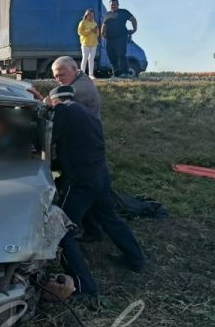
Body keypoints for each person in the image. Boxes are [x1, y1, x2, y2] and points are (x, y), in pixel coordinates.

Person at [49, 85, 145, 273]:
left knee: (62, 226)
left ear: (55, 101)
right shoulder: (87, 112)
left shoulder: (62, 111)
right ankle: (136, 260)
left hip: (81, 180)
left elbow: (50, 137)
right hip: (100, 174)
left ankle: (83, 284)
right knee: (110, 218)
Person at [101, 0, 137, 77]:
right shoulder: (108, 14)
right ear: (109, 6)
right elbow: (104, 25)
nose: (113, 6)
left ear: (118, 5)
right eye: (111, 4)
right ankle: (116, 74)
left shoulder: (123, 12)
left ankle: (125, 73)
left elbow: (133, 19)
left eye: (114, 4)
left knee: (121, 55)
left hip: (121, 38)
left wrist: (134, 29)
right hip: (109, 39)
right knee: (111, 56)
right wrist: (102, 34)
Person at [77, 8, 99, 79]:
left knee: (91, 59)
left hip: (94, 43)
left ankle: (91, 74)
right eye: (89, 15)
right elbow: (79, 32)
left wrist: (96, 32)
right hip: (85, 43)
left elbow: (97, 34)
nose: (91, 16)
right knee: (85, 58)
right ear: (86, 15)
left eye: (92, 15)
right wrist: (90, 30)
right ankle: (82, 74)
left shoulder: (95, 23)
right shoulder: (82, 22)